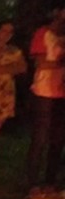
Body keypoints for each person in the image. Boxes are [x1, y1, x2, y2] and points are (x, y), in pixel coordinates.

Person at [25, 8, 65, 189]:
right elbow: (40, 62)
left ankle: (50, 181)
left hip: (61, 93)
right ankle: (31, 182)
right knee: (40, 138)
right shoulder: (43, 34)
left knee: (57, 139)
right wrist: (60, 62)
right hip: (44, 93)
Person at [0, 21, 27, 139]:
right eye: (4, 30)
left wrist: (2, 69)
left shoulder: (14, 50)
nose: (7, 34)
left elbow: (22, 67)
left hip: (6, 92)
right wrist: (11, 68)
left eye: (10, 32)